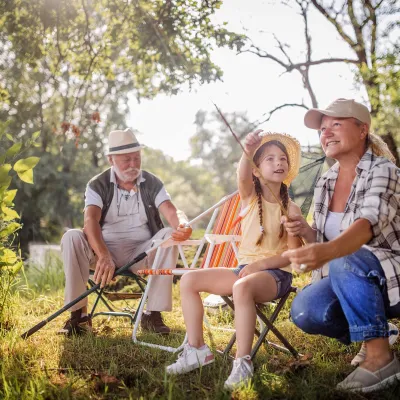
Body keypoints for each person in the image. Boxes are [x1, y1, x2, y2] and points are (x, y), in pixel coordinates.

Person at [166, 131, 302, 389]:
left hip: (276, 276)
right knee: (190, 279)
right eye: (270, 159)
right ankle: (197, 349)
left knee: (242, 286)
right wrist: (247, 150)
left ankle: (243, 361)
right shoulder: (250, 198)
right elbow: (241, 175)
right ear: (257, 170)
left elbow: (293, 257)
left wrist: (259, 266)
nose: (278, 162)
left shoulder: (292, 209)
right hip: (243, 270)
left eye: (282, 158)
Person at [282, 98, 400, 392]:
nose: (327, 133)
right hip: (347, 272)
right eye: (322, 129)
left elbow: (367, 224)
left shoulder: (383, 170)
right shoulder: (326, 182)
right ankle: (380, 332)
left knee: (347, 257)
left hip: (390, 274)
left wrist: (328, 251)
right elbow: (324, 243)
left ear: (362, 130)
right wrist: (307, 233)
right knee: (306, 311)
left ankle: (380, 358)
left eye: (336, 124)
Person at [59, 128, 192, 336]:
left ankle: (152, 314)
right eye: (126, 159)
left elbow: (171, 210)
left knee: (168, 235)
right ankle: (79, 316)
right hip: (102, 253)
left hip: (141, 255)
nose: (133, 165)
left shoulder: (152, 182)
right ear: (111, 159)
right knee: (71, 237)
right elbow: (90, 220)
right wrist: (103, 255)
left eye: (137, 158)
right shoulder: (97, 184)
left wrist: (183, 224)